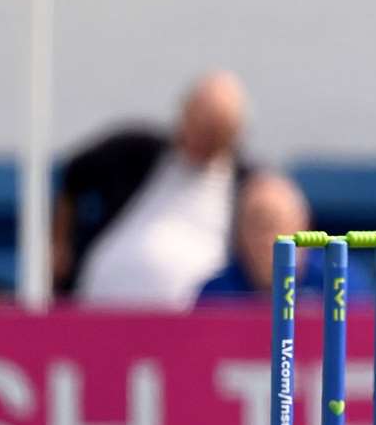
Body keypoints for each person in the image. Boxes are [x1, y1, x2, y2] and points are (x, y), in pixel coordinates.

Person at [55, 71, 252, 308]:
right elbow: (73, 176)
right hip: (99, 303)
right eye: (197, 121)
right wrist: (59, 242)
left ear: (235, 133)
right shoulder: (135, 151)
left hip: (195, 323)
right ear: (183, 113)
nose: (201, 134)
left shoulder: (248, 183)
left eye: (214, 128)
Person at [196, 171, 318, 300]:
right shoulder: (214, 296)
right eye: (257, 225)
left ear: (304, 227)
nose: (268, 239)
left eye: (275, 224)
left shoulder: (334, 281)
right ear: (238, 235)